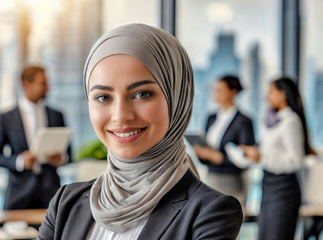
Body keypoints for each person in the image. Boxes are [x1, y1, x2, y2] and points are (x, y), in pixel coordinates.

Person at [38, 23, 243, 240]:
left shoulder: (211, 212)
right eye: (103, 97)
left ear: (176, 98)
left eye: (142, 94)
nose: (120, 116)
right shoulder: (65, 203)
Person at [241, 77, 316, 240]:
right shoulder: (272, 121)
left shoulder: (291, 121)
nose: (267, 96)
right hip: (268, 186)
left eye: (271, 92)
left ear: (283, 94)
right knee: (264, 235)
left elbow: (296, 161)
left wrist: (262, 158)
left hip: (284, 190)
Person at [0, 65, 70, 210]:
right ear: (26, 85)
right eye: (43, 83)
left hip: (51, 192)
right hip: (18, 193)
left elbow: (69, 154)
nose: (48, 88)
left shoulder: (56, 115)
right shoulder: (6, 118)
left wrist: (61, 159)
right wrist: (19, 161)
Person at [193, 75, 255, 211]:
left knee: (229, 224)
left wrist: (220, 158)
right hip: (211, 179)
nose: (215, 93)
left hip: (232, 181)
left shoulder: (243, 121)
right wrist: (203, 154)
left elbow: (246, 159)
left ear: (233, 92)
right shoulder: (211, 118)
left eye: (220, 90)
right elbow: (207, 154)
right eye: (215, 90)